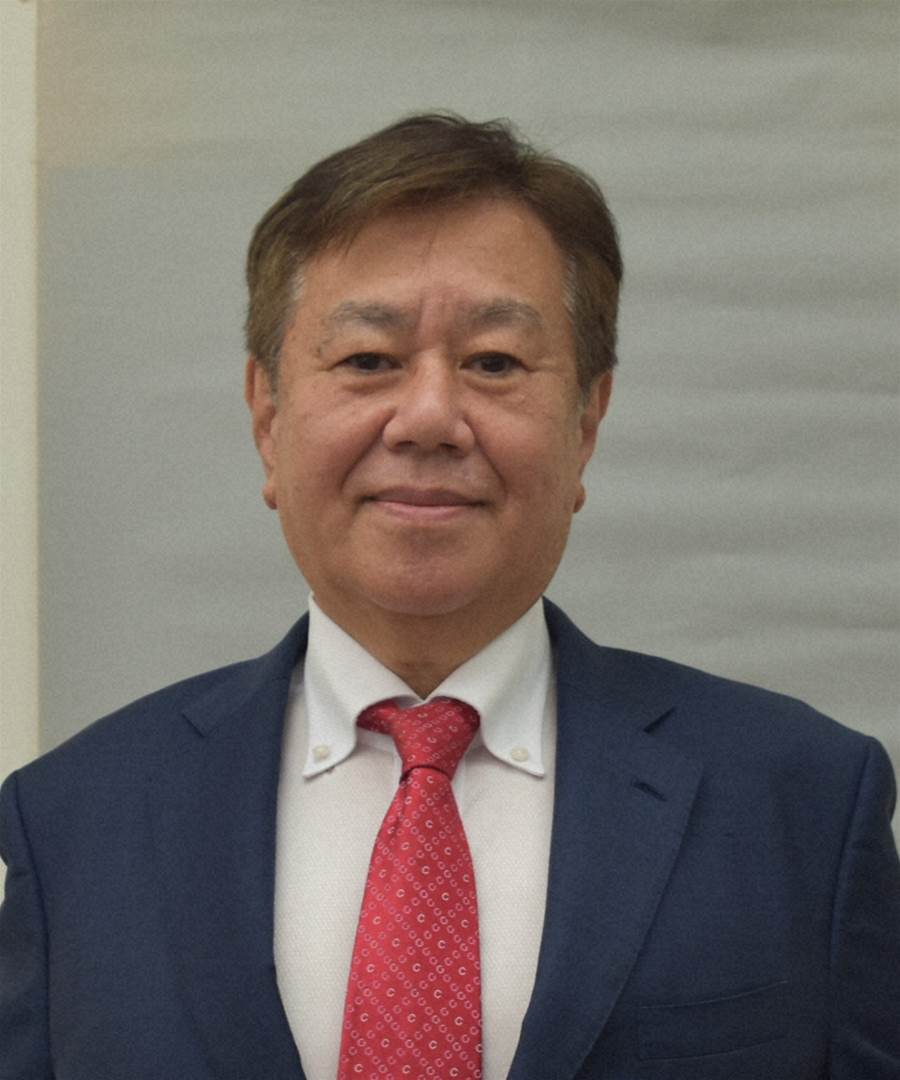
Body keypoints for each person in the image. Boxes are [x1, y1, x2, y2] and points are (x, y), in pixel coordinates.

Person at [1, 113, 897, 1080]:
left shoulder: (801, 803)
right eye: (368, 362)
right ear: (267, 417)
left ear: (587, 423)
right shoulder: (76, 824)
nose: (429, 418)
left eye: (493, 364)